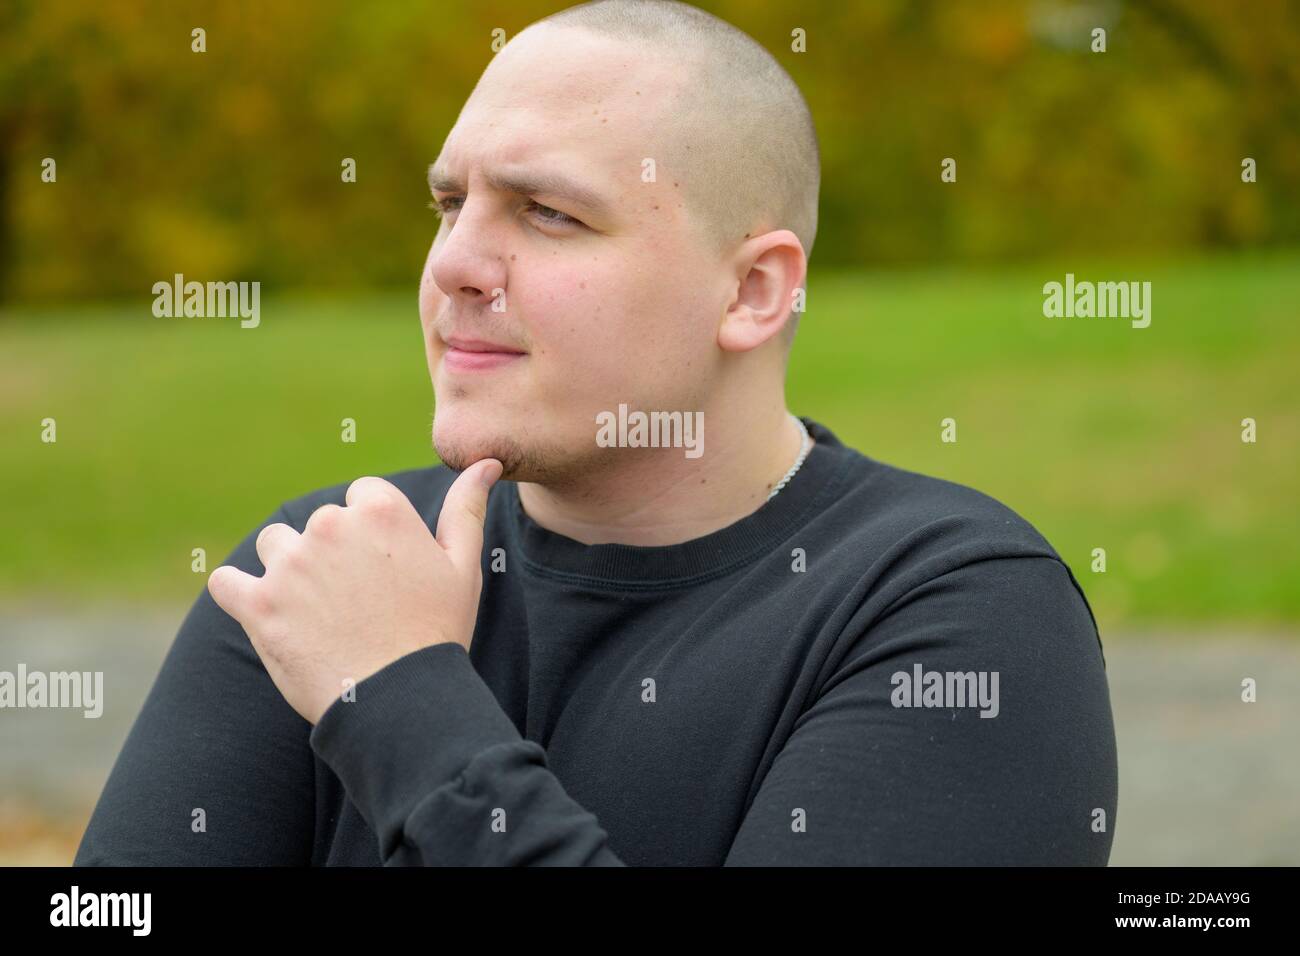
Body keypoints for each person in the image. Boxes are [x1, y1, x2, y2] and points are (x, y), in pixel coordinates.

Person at [75, 0, 1117, 866]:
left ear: (753, 290)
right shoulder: (329, 565)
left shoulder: (953, 609)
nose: (454, 264)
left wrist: (401, 701)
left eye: (546, 213)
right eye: (448, 202)